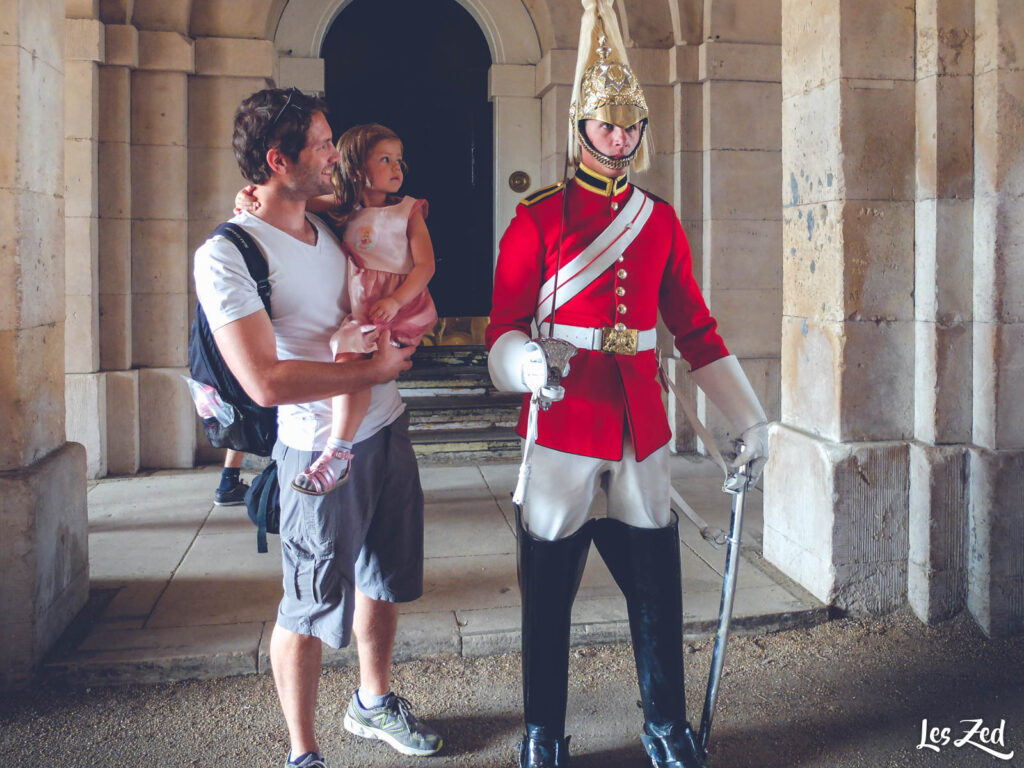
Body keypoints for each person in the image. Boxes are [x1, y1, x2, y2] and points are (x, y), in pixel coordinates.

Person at [485, 2, 769, 767]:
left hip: (642, 422)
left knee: (656, 585)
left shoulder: (660, 220)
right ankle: (543, 730)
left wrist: (750, 418)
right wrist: (527, 365)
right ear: (581, 127)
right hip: (564, 416)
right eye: (607, 126)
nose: (620, 139)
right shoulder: (538, 218)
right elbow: (500, 332)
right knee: (548, 594)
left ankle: (665, 723)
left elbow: (696, 329)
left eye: (630, 126)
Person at [193, 87, 443, 768]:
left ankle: (371, 702)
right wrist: (373, 372)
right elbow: (264, 382)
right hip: (315, 449)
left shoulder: (322, 215)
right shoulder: (228, 254)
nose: (337, 156)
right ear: (278, 159)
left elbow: (381, 228)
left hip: (387, 429)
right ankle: (303, 754)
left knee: (383, 580)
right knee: (305, 607)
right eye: (324, 144)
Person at [291, 124, 436, 496]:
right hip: (362, 306)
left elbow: (425, 267)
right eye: (385, 159)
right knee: (350, 364)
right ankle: (340, 451)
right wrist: (252, 197)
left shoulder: (408, 210)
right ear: (357, 169)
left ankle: (338, 452)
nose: (396, 167)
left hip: (398, 306)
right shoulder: (346, 206)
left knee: (352, 363)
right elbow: (295, 200)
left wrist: (396, 300)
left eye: (399, 160)